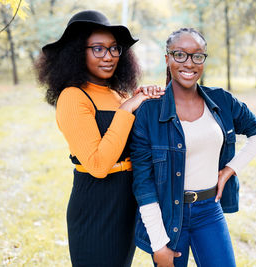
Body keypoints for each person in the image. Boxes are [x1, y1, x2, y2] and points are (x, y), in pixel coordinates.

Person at [35, 10, 164, 266]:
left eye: (114, 49)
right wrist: (127, 109)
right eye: (98, 49)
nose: (109, 57)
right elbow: (97, 165)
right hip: (96, 204)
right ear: (77, 52)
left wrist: (142, 99)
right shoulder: (73, 97)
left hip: (126, 200)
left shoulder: (118, 93)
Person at [130, 28, 256, 267]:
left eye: (197, 56)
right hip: (168, 215)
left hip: (209, 211)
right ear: (167, 59)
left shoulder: (222, 101)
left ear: (204, 60)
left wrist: (229, 170)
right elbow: (143, 182)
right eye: (180, 55)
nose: (189, 63)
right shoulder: (149, 111)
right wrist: (159, 244)